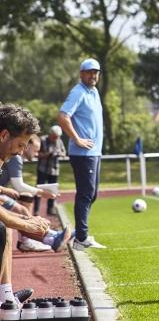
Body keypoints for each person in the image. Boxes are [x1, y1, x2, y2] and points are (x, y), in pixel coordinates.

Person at [0, 103, 72, 305]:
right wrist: (25, 224)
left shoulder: (2, 157)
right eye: (21, 145)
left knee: (3, 229)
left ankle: (5, 298)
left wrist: (23, 220)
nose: (22, 152)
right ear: (4, 135)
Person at [58, 58, 106, 250]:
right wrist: (77, 139)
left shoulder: (93, 91)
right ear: (81, 74)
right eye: (89, 72)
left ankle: (80, 233)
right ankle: (81, 238)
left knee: (92, 194)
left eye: (96, 72)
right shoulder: (78, 92)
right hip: (83, 154)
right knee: (86, 194)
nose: (93, 75)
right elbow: (63, 116)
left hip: (95, 153)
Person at [0, 135, 60, 252]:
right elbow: (19, 186)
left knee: (23, 204)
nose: (37, 154)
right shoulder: (15, 158)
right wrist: (41, 192)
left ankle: (47, 236)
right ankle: (41, 238)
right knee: (21, 211)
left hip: (1, 192)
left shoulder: (14, 157)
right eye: (36, 150)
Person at [35, 125, 66, 216]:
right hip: (42, 169)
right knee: (39, 190)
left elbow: (64, 153)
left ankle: (50, 209)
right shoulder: (42, 140)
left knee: (53, 191)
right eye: (54, 136)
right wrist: (47, 154)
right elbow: (36, 153)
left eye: (57, 137)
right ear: (50, 134)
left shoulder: (59, 141)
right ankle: (36, 210)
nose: (55, 138)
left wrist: (58, 153)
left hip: (54, 170)